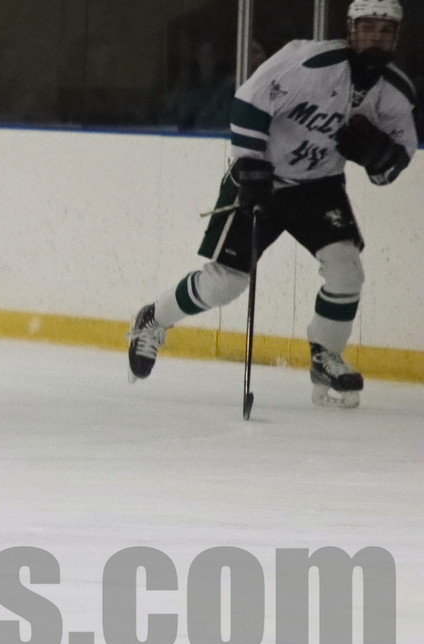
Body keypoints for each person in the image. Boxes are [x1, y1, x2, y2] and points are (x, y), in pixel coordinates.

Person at [127, 0, 416, 409]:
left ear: (396, 37)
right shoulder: (309, 62)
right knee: (225, 283)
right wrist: (250, 163)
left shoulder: (396, 93)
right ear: (350, 29)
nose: (375, 38)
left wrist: (380, 157)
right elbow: (250, 100)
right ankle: (153, 319)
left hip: (318, 186)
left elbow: (394, 162)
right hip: (262, 176)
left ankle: (325, 356)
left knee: (346, 270)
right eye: (367, 28)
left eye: (385, 31)